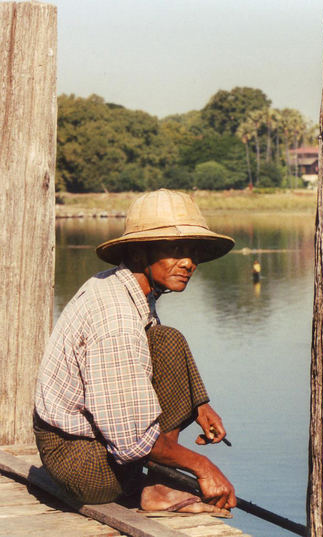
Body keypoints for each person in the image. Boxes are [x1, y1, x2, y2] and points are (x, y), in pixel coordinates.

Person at [34, 189, 237, 515]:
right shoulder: (117, 319)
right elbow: (130, 442)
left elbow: (158, 354)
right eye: (174, 250)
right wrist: (202, 465)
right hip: (80, 465)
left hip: (88, 442)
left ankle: (158, 481)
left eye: (193, 252)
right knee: (185, 472)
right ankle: (155, 487)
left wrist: (199, 405)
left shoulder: (129, 288)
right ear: (141, 254)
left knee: (167, 340)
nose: (188, 263)